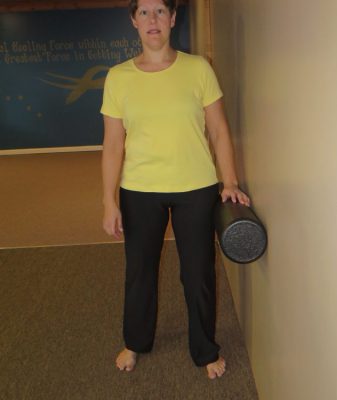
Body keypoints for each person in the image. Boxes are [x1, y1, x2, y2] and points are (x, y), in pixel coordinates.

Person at [101, 0, 250, 380]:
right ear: (134, 20)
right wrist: (108, 201)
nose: (153, 19)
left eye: (160, 11)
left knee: (198, 274)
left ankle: (205, 349)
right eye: (144, 12)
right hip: (140, 190)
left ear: (172, 18)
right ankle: (136, 341)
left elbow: (218, 130)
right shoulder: (118, 77)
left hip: (195, 188)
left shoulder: (198, 68)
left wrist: (230, 181)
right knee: (139, 273)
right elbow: (113, 145)